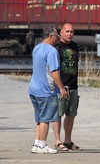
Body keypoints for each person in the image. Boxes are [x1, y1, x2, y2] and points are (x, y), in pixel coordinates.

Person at [28, 27, 68, 154]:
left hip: (34, 89)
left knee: (39, 118)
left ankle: (37, 143)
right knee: (45, 118)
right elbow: (54, 71)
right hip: (46, 91)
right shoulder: (52, 51)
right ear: (51, 36)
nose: (58, 38)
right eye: (57, 36)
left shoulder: (37, 48)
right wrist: (62, 88)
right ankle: (42, 145)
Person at [54, 23, 80, 151]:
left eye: (72, 31)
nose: (70, 34)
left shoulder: (75, 46)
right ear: (61, 33)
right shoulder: (57, 47)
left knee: (71, 114)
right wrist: (60, 87)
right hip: (61, 86)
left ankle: (68, 140)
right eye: (67, 31)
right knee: (58, 113)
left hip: (73, 86)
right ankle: (58, 141)